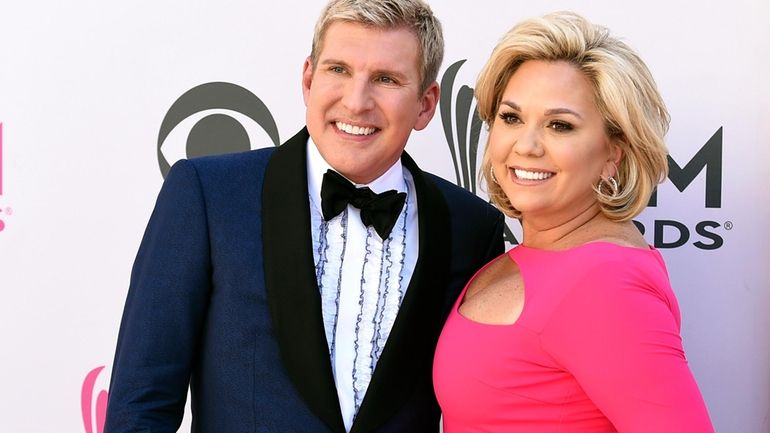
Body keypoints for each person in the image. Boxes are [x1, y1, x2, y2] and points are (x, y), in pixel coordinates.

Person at [104, 1, 504, 432]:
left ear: (426, 104)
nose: (356, 101)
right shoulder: (208, 195)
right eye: (339, 70)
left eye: (386, 79)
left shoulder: (471, 227)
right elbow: (141, 403)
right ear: (309, 80)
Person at [433, 11, 715, 432]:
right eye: (511, 118)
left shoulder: (605, 281)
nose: (525, 146)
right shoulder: (525, 256)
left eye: (560, 125)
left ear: (612, 153)